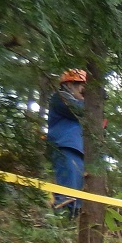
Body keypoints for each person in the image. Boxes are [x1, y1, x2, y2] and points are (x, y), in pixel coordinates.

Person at [46, 69, 86, 216]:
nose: (85, 91)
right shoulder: (60, 97)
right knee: (67, 190)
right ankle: (60, 220)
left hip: (80, 150)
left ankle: (71, 223)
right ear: (69, 84)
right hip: (65, 146)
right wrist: (93, 101)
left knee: (78, 193)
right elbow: (77, 110)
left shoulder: (82, 105)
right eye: (82, 86)